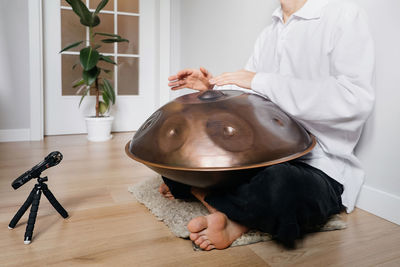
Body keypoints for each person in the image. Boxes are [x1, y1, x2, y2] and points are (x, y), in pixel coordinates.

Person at [160, 0, 375, 250]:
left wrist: (262, 81)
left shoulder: (343, 15)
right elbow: (250, 93)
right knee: (178, 157)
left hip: (319, 165)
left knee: (278, 185)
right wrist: (212, 88)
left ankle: (212, 202)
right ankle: (231, 211)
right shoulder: (270, 32)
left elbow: (354, 100)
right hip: (264, 155)